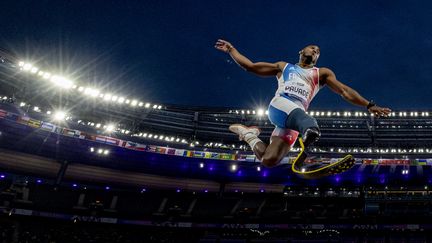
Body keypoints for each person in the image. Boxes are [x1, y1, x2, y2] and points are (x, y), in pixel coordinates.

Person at [215, 39, 391, 169]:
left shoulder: (321, 73)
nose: (315, 50)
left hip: (296, 117)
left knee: (269, 159)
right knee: (310, 125)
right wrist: (232, 50)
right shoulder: (283, 66)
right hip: (281, 105)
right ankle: (309, 133)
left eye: (318, 52)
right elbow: (251, 66)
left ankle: (249, 134)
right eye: (312, 47)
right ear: (301, 51)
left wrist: (369, 105)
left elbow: (344, 90)